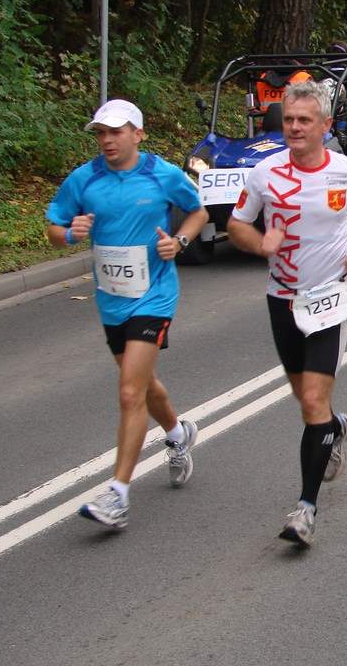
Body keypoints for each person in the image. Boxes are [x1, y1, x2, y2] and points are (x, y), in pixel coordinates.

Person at [227, 81, 347, 545]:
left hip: (329, 299)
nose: (293, 128)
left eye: (303, 121)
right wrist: (259, 243)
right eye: (288, 120)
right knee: (307, 403)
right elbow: (236, 224)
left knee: (313, 401)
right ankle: (336, 428)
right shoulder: (264, 173)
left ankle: (305, 508)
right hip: (282, 298)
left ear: (324, 125)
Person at [46, 99, 209, 530]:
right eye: (100, 133)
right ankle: (177, 433)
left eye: (115, 132)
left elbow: (198, 212)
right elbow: (55, 228)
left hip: (153, 295)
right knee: (140, 382)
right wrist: (69, 233)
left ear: (137, 134)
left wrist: (179, 243)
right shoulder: (85, 179)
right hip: (111, 298)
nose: (106, 140)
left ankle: (117, 494)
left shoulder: (161, 174)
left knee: (127, 392)